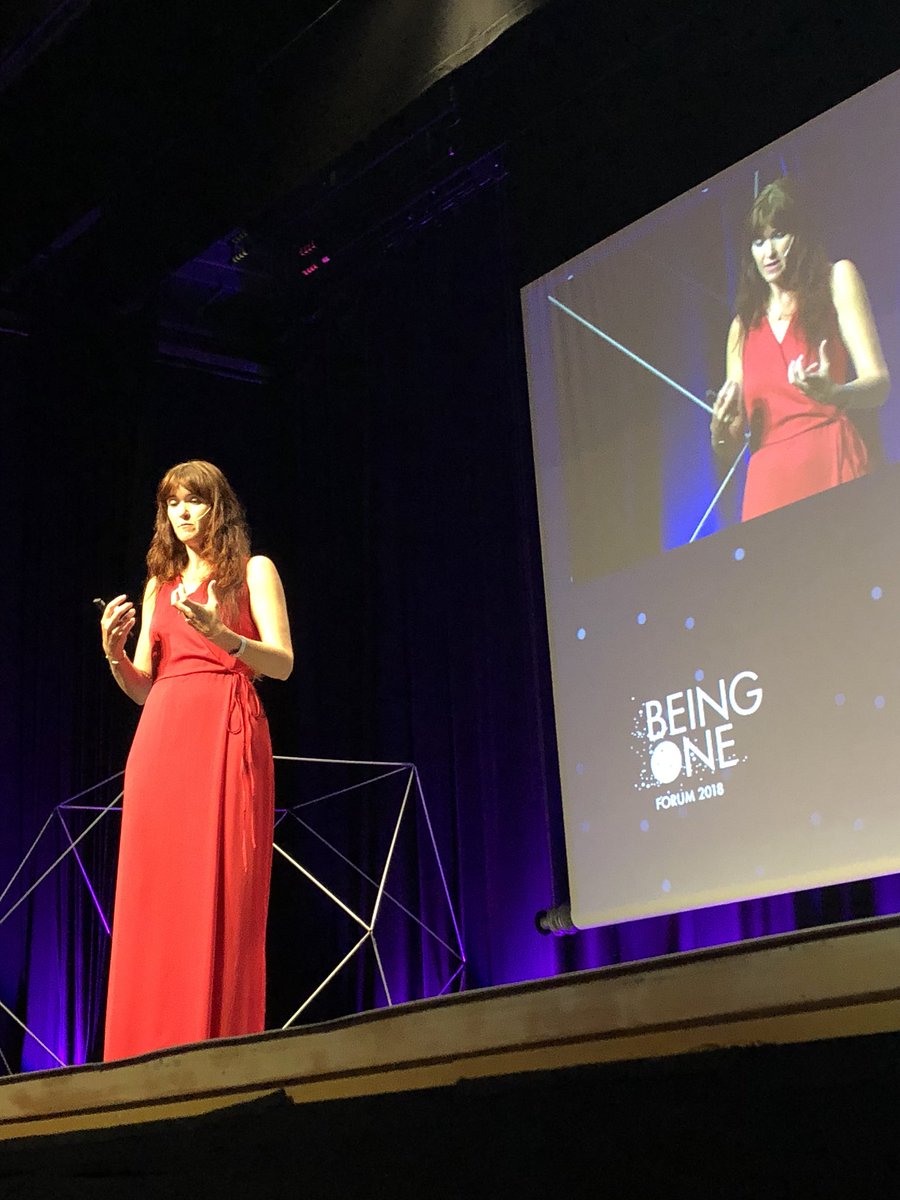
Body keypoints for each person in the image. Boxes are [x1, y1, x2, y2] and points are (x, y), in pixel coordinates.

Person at [99, 460, 293, 1060]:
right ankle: (141, 1051)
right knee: (155, 897)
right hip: (162, 740)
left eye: (195, 502)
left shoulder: (252, 570)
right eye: (172, 504)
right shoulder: (161, 584)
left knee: (223, 888)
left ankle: (215, 1049)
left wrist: (223, 635)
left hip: (228, 731)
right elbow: (146, 684)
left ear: (219, 507)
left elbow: (282, 662)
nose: (182, 514)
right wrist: (113, 656)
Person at [710, 177, 889, 521]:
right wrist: (719, 431)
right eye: (759, 241)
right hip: (768, 488)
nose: (769, 252)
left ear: (800, 235)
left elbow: (879, 384)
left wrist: (835, 393)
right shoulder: (741, 327)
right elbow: (731, 444)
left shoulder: (837, 279)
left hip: (830, 464)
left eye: (779, 235)